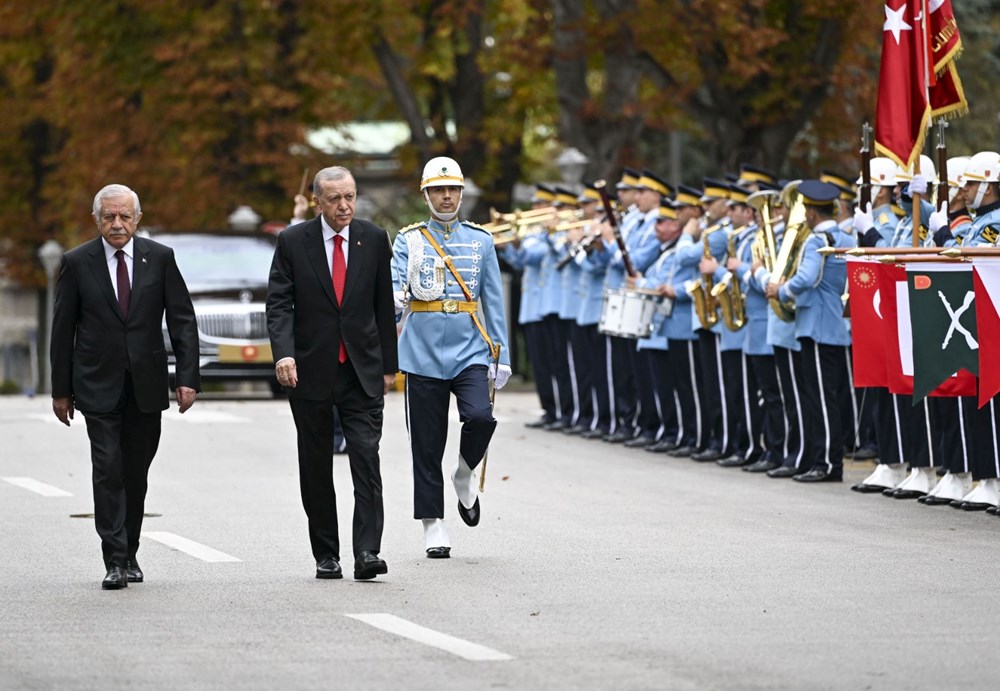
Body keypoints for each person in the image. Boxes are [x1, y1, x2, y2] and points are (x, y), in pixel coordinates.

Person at [50, 184, 200, 590]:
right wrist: (60, 390)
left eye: (124, 217)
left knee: (135, 472)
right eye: (109, 217)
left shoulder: (160, 259)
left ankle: (130, 550)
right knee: (107, 469)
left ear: (138, 218)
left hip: (147, 384)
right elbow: (63, 330)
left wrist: (188, 377)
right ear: (96, 220)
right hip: (96, 385)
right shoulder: (78, 262)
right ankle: (114, 560)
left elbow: (182, 319)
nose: (117, 224)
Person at [266, 166, 397, 581]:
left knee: (366, 457)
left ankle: (367, 551)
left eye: (350, 197)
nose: (345, 206)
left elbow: (383, 305)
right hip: (309, 371)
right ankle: (326, 553)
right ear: (318, 201)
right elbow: (279, 305)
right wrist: (284, 354)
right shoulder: (292, 242)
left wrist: (389, 367)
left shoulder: (373, 239)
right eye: (335, 199)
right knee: (316, 464)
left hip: (361, 370)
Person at [392, 156, 511, 559]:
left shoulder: (480, 240)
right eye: (439, 190)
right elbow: (394, 290)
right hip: (421, 350)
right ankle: (433, 523)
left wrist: (502, 354)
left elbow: (493, 300)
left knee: (480, 416)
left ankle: (463, 473)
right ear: (425, 195)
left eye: (453, 189)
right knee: (426, 443)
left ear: (461, 193)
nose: (447, 196)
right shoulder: (408, 240)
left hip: (471, 347)